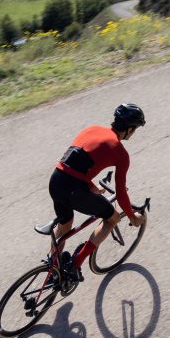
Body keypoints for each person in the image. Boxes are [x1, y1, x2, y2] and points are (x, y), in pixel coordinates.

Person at [48, 103, 146, 280]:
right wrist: (132, 217)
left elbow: (74, 163)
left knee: (64, 226)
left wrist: (91, 186)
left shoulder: (91, 129)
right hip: (74, 190)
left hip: (56, 180)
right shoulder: (120, 153)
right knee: (112, 218)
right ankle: (75, 266)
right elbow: (121, 193)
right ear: (130, 129)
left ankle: (52, 270)